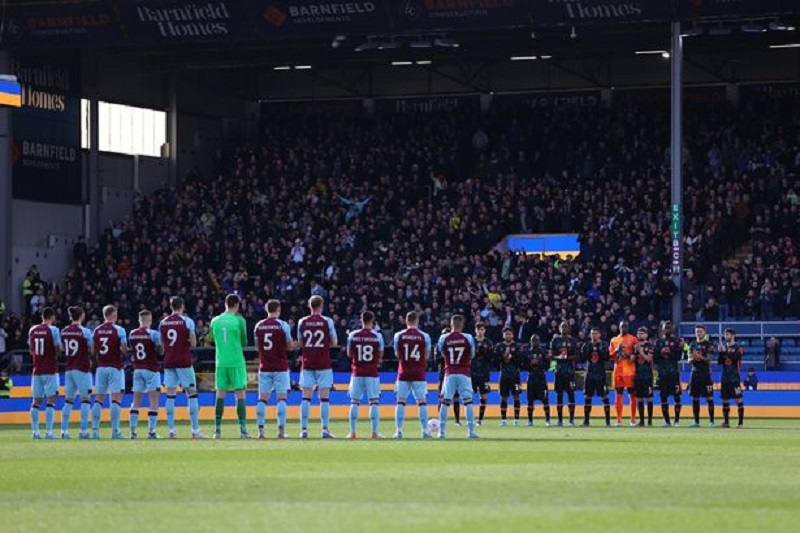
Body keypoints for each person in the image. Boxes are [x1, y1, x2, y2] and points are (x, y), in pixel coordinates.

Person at [159, 296, 204, 439]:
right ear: (182, 306)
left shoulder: (163, 323)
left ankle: (172, 431)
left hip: (169, 362)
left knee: (170, 396)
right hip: (184, 361)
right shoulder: (187, 321)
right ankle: (195, 430)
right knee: (192, 394)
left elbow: (161, 346)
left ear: (171, 306)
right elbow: (194, 343)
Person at [297, 295, 338, 439]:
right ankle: (325, 430)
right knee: (324, 398)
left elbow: (301, 343)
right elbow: (334, 342)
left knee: (305, 397)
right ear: (321, 306)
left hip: (308, 363)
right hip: (323, 363)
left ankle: (303, 430)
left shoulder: (302, 322)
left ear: (309, 305)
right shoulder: (327, 322)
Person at [210, 294, 250, 439]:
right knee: (240, 394)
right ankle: (243, 430)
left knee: (220, 394)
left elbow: (214, 340)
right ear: (237, 305)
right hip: (236, 361)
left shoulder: (215, 320)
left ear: (225, 304)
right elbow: (244, 342)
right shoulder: (239, 320)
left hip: (221, 362)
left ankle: (217, 431)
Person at [254, 299, 295, 439]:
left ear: (266, 309)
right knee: (281, 399)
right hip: (280, 366)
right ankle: (281, 431)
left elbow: (257, 346)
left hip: (265, 366)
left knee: (262, 399)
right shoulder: (283, 325)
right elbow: (289, 346)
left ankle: (261, 431)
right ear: (278, 310)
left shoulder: (258, 325)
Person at [437, 314, 478, 439]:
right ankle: (471, 431)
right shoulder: (468, 337)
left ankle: (441, 432)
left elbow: (442, 353)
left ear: (451, 325)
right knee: (468, 402)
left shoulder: (444, 338)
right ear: (463, 325)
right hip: (464, 373)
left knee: (445, 402)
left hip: (449, 372)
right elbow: (472, 354)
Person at [393, 311, 432, 439]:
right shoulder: (424, 336)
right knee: (422, 402)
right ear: (417, 321)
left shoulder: (399, 335)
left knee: (400, 402)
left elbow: (397, 354)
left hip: (403, 372)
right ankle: (425, 431)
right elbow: (426, 356)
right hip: (419, 372)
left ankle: (398, 431)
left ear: (406, 321)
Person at [346, 310, 385, 439]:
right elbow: (380, 355)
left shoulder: (353, 335)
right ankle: (374, 432)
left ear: (361, 320)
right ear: (372, 321)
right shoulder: (377, 336)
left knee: (354, 402)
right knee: (374, 402)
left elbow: (349, 354)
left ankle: (352, 432)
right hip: (372, 373)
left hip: (357, 372)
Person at [92, 305, 129, 439]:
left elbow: (92, 350)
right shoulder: (119, 330)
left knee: (98, 399)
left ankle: (95, 431)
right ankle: (115, 431)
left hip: (101, 367)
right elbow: (124, 349)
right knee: (116, 399)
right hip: (115, 367)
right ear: (113, 315)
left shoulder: (96, 330)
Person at [60, 306, 94, 439]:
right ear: (81, 316)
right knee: (85, 400)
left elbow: (63, 348)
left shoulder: (64, 331)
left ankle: (64, 431)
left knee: (68, 400)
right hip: (82, 368)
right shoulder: (85, 332)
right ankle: (83, 431)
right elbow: (91, 349)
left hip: (69, 368)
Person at [128, 310, 163, 439]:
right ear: (150, 320)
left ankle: (133, 432)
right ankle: (151, 432)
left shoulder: (132, 334)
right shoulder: (153, 334)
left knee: (136, 401)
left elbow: (131, 349)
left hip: (137, 369)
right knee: (153, 401)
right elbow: (160, 351)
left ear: (139, 320)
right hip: (151, 369)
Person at [29, 307, 61, 439]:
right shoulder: (53, 330)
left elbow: (31, 350)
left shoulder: (32, 330)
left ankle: (35, 432)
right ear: (52, 317)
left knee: (36, 402)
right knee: (50, 401)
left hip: (37, 370)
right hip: (50, 370)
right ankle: (49, 432)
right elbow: (58, 348)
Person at [653, 321, 684, 427]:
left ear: (672, 329)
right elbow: (655, 358)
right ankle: (666, 421)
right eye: (665, 328)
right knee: (663, 397)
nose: (667, 329)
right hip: (662, 373)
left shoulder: (677, 341)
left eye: (669, 328)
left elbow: (679, 357)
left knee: (676, 396)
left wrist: (670, 351)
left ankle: (676, 421)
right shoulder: (658, 342)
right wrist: (661, 352)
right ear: (662, 329)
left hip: (673, 373)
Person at [609, 321, 638, 426]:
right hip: (618, 370)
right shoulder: (614, 340)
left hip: (630, 370)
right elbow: (610, 355)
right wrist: (616, 351)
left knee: (632, 395)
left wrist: (631, 356)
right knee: (619, 395)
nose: (624, 328)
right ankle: (619, 420)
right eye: (622, 326)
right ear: (619, 327)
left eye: (625, 326)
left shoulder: (633, 339)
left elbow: (636, 353)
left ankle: (633, 419)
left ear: (628, 327)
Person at [550, 321, 578, 427]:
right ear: (559, 328)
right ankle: (560, 420)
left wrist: (566, 357)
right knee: (559, 395)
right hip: (559, 372)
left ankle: (571, 420)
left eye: (566, 327)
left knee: (571, 395)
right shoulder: (555, 340)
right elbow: (551, 355)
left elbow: (577, 356)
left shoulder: (573, 341)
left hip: (570, 372)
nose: (564, 328)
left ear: (569, 328)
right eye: (562, 327)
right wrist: (558, 358)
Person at [580, 327, 610, 427]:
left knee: (604, 396)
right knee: (588, 396)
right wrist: (589, 349)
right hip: (590, 373)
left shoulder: (604, 345)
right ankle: (586, 420)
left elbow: (606, 358)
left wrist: (599, 349)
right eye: (592, 333)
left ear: (599, 334)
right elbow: (583, 358)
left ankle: (607, 421)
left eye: (596, 333)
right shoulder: (587, 345)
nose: (594, 335)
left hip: (600, 374)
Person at [495, 326, 524, 426]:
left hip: (515, 375)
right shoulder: (499, 346)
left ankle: (516, 420)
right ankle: (503, 420)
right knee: (503, 397)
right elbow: (495, 361)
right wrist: (504, 357)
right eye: (506, 334)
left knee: (516, 396)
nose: (508, 335)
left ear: (512, 335)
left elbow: (521, 361)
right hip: (504, 375)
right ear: (503, 335)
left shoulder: (517, 346)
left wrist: (512, 357)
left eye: (510, 333)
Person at [688, 324, 716, 428]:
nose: (698, 333)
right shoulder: (692, 344)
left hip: (705, 374)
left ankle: (712, 421)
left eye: (700, 331)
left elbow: (709, 360)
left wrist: (698, 356)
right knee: (695, 398)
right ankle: (696, 421)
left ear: (704, 332)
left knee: (709, 397)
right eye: (697, 331)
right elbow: (688, 360)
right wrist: (692, 359)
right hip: (695, 373)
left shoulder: (709, 344)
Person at [718, 328, 745, 429]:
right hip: (725, 378)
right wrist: (721, 352)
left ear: (733, 335)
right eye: (725, 334)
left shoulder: (739, 347)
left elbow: (734, 358)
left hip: (734, 378)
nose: (726, 336)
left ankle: (740, 423)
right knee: (725, 400)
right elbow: (720, 362)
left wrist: (724, 352)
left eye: (727, 334)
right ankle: (726, 422)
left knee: (738, 399)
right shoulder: (724, 347)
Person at [436, 327, 461, 426]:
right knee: (442, 398)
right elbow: (435, 361)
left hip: (454, 372)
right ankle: (440, 421)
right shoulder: (438, 347)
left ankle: (457, 420)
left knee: (456, 397)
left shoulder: (455, 345)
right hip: (443, 374)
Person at [525, 334, 551, 426]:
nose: (534, 342)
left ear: (539, 341)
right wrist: (531, 364)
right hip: (531, 378)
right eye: (533, 340)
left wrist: (539, 363)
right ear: (530, 342)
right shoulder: (527, 352)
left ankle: (547, 420)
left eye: (536, 340)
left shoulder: (544, 352)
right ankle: (530, 420)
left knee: (545, 400)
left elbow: (548, 366)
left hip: (541, 378)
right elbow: (524, 366)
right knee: (530, 401)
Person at [472, 321, 493, 427]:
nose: (480, 331)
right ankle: (470, 418)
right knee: (469, 396)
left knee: (483, 396)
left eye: (482, 329)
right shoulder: (471, 341)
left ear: (484, 330)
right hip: (472, 372)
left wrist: (485, 353)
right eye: (478, 329)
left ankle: (480, 419)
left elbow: (491, 358)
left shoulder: (488, 342)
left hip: (484, 373)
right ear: (475, 330)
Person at [634, 327, 655, 427]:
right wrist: (633, 353)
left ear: (646, 335)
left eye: (642, 333)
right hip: (638, 375)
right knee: (639, 398)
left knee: (649, 398)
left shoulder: (650, 346)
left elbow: (648, 359)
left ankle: (650, 421)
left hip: (647, 375)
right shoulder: (635, 346)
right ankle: (642, 421)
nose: (640, 335)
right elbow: (632, 359)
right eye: (638, 333)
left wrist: (640, 351)